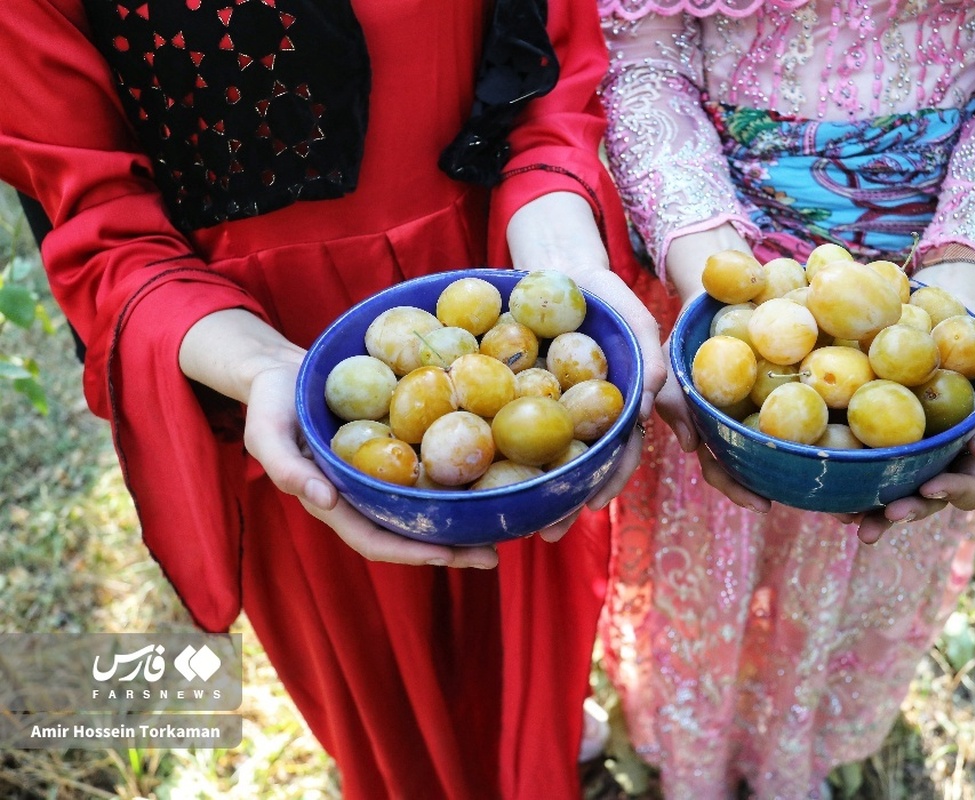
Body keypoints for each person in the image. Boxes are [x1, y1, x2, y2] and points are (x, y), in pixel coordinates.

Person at [0, 1, 667, 797]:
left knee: (527, 616)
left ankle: (544, 752)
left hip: (500, 284)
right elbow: (101, 224)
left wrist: (564, 263)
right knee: (378, 677)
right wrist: (259, 370)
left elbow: (545, 71)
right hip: (278, 355)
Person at [594, 0, 975, 796]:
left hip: (938, 285)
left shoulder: (941, 327)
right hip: (715, 289)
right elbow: (643, 62)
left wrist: (966, 287)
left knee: (863, 535)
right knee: (711, 542)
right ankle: (695, 751)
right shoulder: (722, 320)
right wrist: (708, 265)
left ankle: (794, 749)